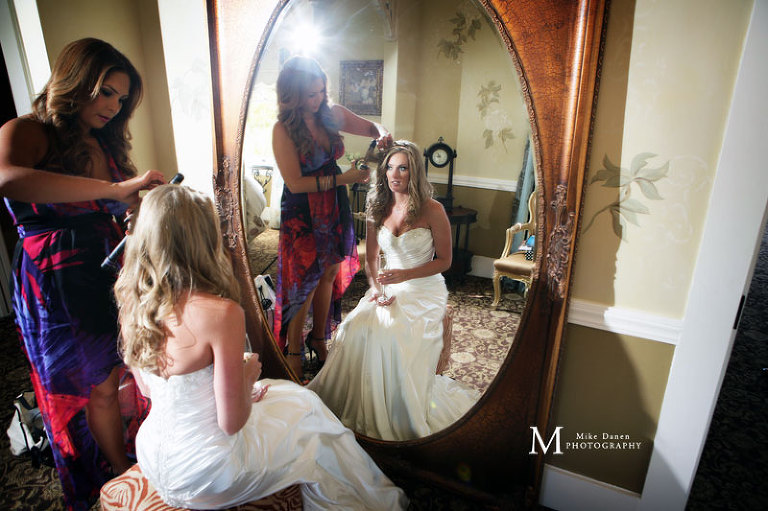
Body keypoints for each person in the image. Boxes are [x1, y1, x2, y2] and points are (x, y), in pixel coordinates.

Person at [114, 184, 408, 510]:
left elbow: (153, 390)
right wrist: (247, 375)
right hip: (208, 471)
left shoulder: (134, 302)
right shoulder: (220, 312)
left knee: (292, 398)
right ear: (204, 239)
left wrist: (228, 389)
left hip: (154, 453)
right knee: (309, 416)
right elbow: (232, 423)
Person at [0, 38, 166, 509]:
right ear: (76, 82)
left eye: (120, 97)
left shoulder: (104, 142)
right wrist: (115, 189)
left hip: (109, 267)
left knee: (116, 371)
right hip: (56, 280)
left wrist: (137, 210)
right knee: (90, 382)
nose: (113, 106)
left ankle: (121, 464)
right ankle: (117, 472)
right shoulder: (29, 130)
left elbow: (119, 204)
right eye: (105, 92)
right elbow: (7, 177)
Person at [307, 141, 480, 441]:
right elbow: (371, 257)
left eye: (402, 168)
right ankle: (358, 405)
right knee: (354, 328)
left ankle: (397, 413)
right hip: (387, 285)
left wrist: (404, 274)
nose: (394, 174)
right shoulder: (378, 205)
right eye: (390, 167)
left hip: (424, 286)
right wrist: (377, 288)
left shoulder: (432, 209)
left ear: (414, 172)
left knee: (392, 336)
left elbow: (445, 261)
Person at [272, 55, 392, 377]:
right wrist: (345, 179)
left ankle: (319, 337)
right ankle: (294, 348)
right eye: (310, 94)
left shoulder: (332, 114)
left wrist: (380, 132)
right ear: (292, 94)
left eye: (321, 92)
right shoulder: (283, 130)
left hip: (332, 206)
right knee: (305, 281)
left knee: (328, 274)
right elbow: (295, 183)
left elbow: (370, 126)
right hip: (302, 211)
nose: (317, 100)